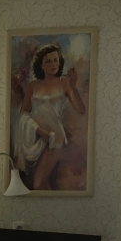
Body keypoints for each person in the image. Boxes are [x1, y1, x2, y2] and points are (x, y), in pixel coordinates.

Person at [18, 43, 86, 189]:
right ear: (41, 65)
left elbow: (81, 109)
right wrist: (38, 131)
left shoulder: (64, 82)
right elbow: (24, 116)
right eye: (48, 61)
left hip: (55, 138)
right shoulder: (31, 87)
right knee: (42, 183)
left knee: (39, 183)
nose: (53, 64)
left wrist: (73, 86)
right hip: (35, 139)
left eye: (56, 60)